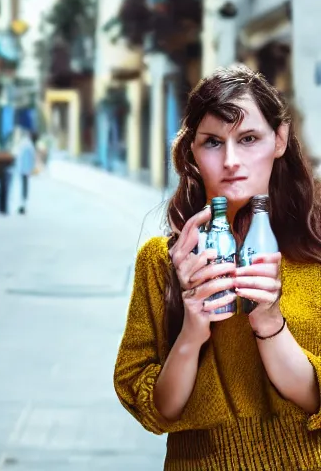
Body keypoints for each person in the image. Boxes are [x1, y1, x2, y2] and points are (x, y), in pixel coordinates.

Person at [114, 64, 321, 470]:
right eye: (212, 142)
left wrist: (269, 320)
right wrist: (193, 329)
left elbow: (315, 399)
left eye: (248, 139)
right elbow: (160, 411)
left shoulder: (315, 253)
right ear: (192, 149)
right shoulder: (161, 263)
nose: (230, 161)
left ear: (278, 140)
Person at [16, 128, 36, 215]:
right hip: (25, 169)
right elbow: (32, 158)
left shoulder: (23, 144)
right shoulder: (29, 145)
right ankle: (23, 205)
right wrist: (31, 168)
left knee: (23, 187)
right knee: (24, 188)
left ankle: (22, 205)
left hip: (22, 169)